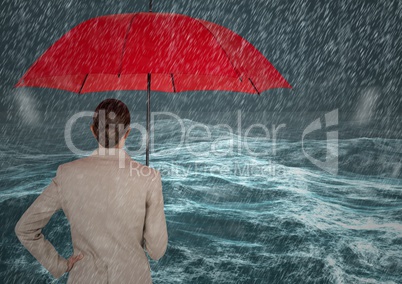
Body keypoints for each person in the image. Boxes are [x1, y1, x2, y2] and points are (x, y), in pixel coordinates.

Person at [15, 98, 168, 283]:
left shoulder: (67, 174)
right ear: (127, 133)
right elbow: (157, 251)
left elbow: (25, 229)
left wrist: (58, 265)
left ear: (93, 131)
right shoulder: (148, 177)